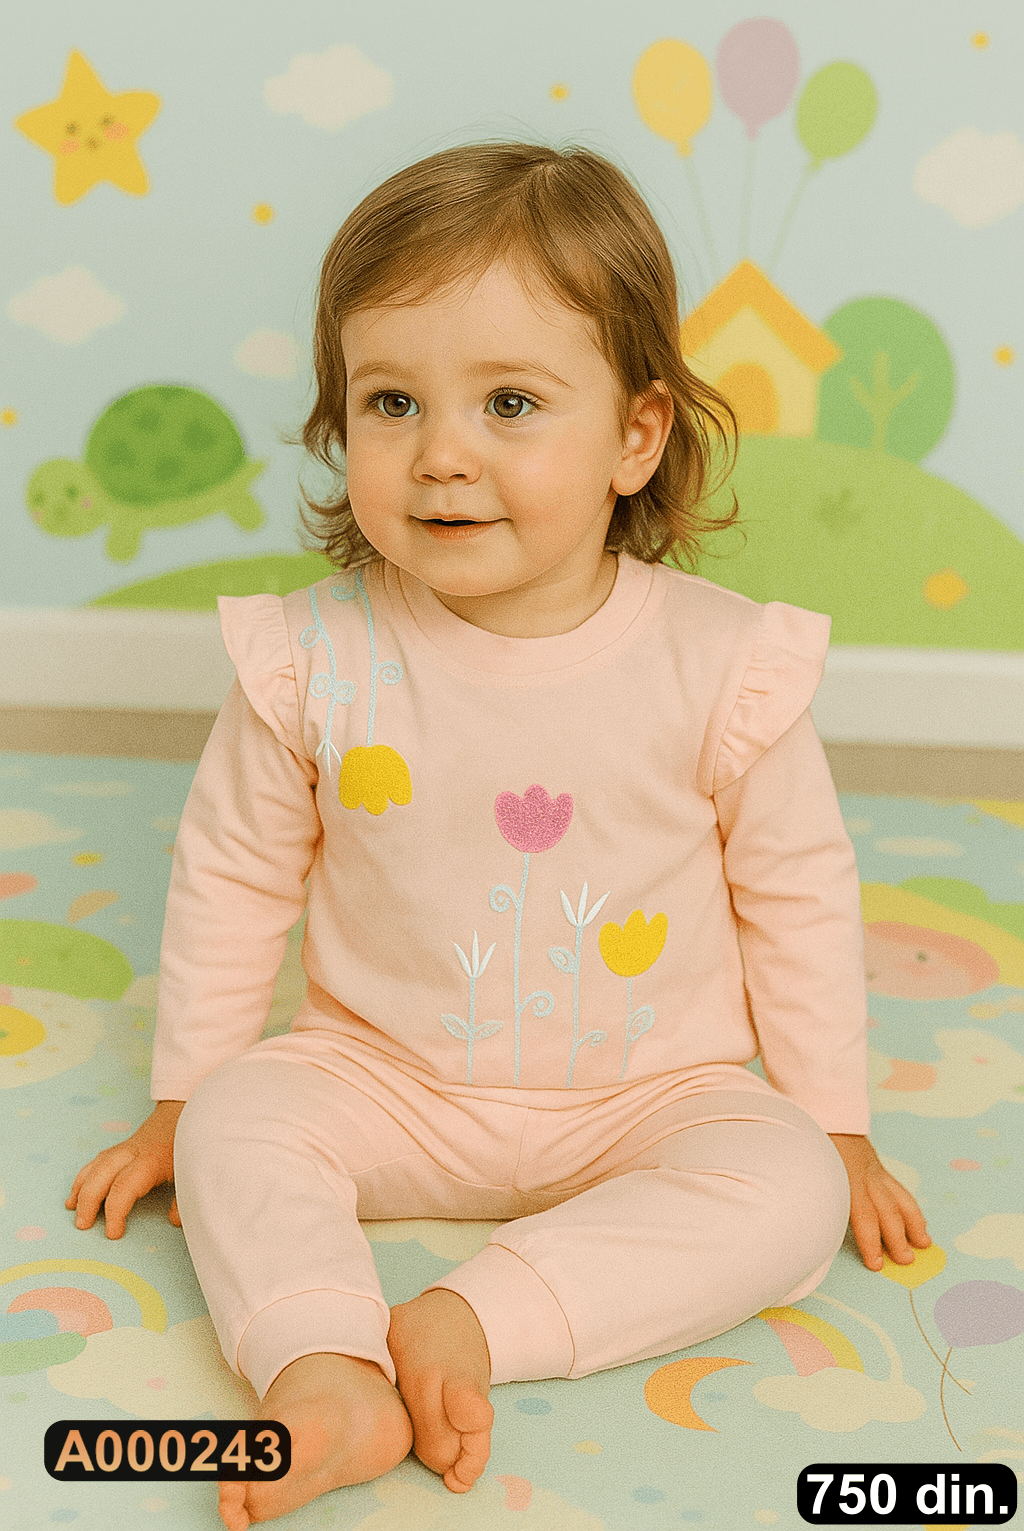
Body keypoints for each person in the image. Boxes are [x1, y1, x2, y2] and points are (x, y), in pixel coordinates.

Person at [67, 140, 930, 1529]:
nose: (442, 454)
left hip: (652, 1088)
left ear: (635, 436)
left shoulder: (722, 665)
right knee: (239, 1121)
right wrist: (182, 1094)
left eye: (511, 402)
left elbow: (797, 895)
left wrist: (835, 1121)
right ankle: (327, 1365)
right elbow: (232, 872)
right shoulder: (313, 660)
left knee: (787, 1191)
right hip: (385, 1075)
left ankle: (472, 1321)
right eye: (392, 401)